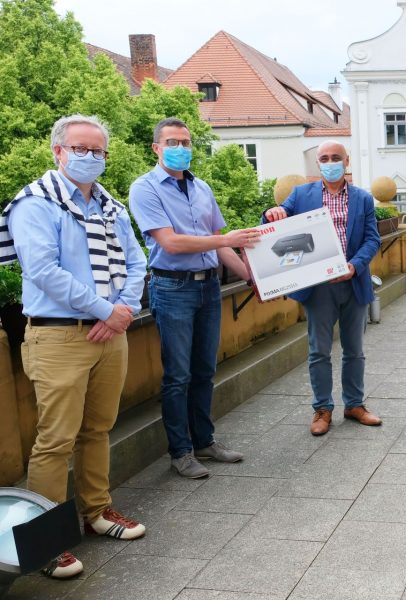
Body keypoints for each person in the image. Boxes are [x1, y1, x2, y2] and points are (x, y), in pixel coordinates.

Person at [0, 115, 148, 578]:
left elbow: (137, 260)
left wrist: (120, 310)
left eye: (98, 151)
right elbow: (43, 271)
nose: (90, 158)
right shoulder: (35, 203)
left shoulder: (111, 206)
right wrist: (109, 311)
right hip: (59, 335)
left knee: (98, 429)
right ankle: (45, 542)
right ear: (58, 152)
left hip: (110, 333)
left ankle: (97, 512)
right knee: (55, 441)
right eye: (80, 149)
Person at [128, 118, 260, 479]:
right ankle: (181, 452)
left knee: (205, 370)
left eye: (186, 142)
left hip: (208, 287)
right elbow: (170, 242)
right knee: (178, 375)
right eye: (173, 142)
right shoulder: (144, 188)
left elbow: (218, 241)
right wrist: (226, 241)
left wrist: (254, 278)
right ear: (156, 147)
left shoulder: (201, 187)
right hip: (172, 287)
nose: (181, 148)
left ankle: (204, 440)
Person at [264, 140, 382, 436]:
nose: (330, 162)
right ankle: (322, 409)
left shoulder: (363, 199)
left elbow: (372, 240)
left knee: (355, 350)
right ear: (318, 164)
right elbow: (275, 223)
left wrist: (354, 265)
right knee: (319, 351)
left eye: (336, 158)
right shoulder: (300, 195)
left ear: (347, 162)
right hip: (318, 287)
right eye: (324, 158)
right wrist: (273, 212)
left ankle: (354, 404)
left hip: (353, 282)